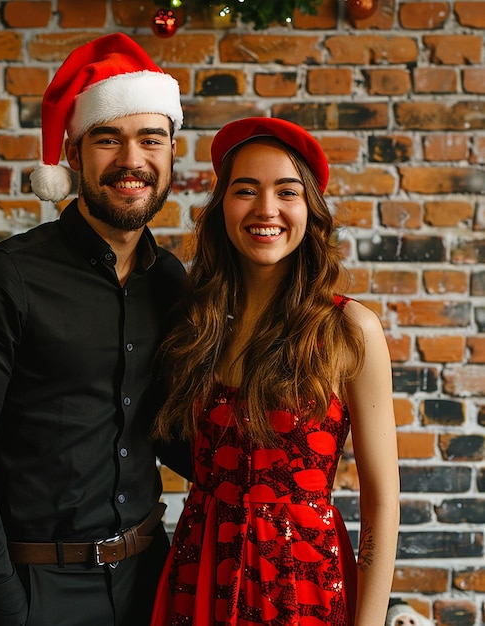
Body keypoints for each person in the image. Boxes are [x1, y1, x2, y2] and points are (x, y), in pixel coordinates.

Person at [0, 33, 191, 626]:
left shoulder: (170, 280)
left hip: (153, 575)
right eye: (108, 139)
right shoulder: (5, 279)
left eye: (151, 140)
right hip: (41, 590)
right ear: (74, 155)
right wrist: (3, 602)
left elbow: (166, 428)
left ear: (172, 152)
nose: (133, 160)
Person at [150, 117, 400, 626]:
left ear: (309, 208)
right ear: (223, 209)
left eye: (287, 192)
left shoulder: (349, 329)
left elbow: (382, 503)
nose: (266, 209)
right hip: (201, 576)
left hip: (302, 584)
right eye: (246, 190)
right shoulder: (196, 323)